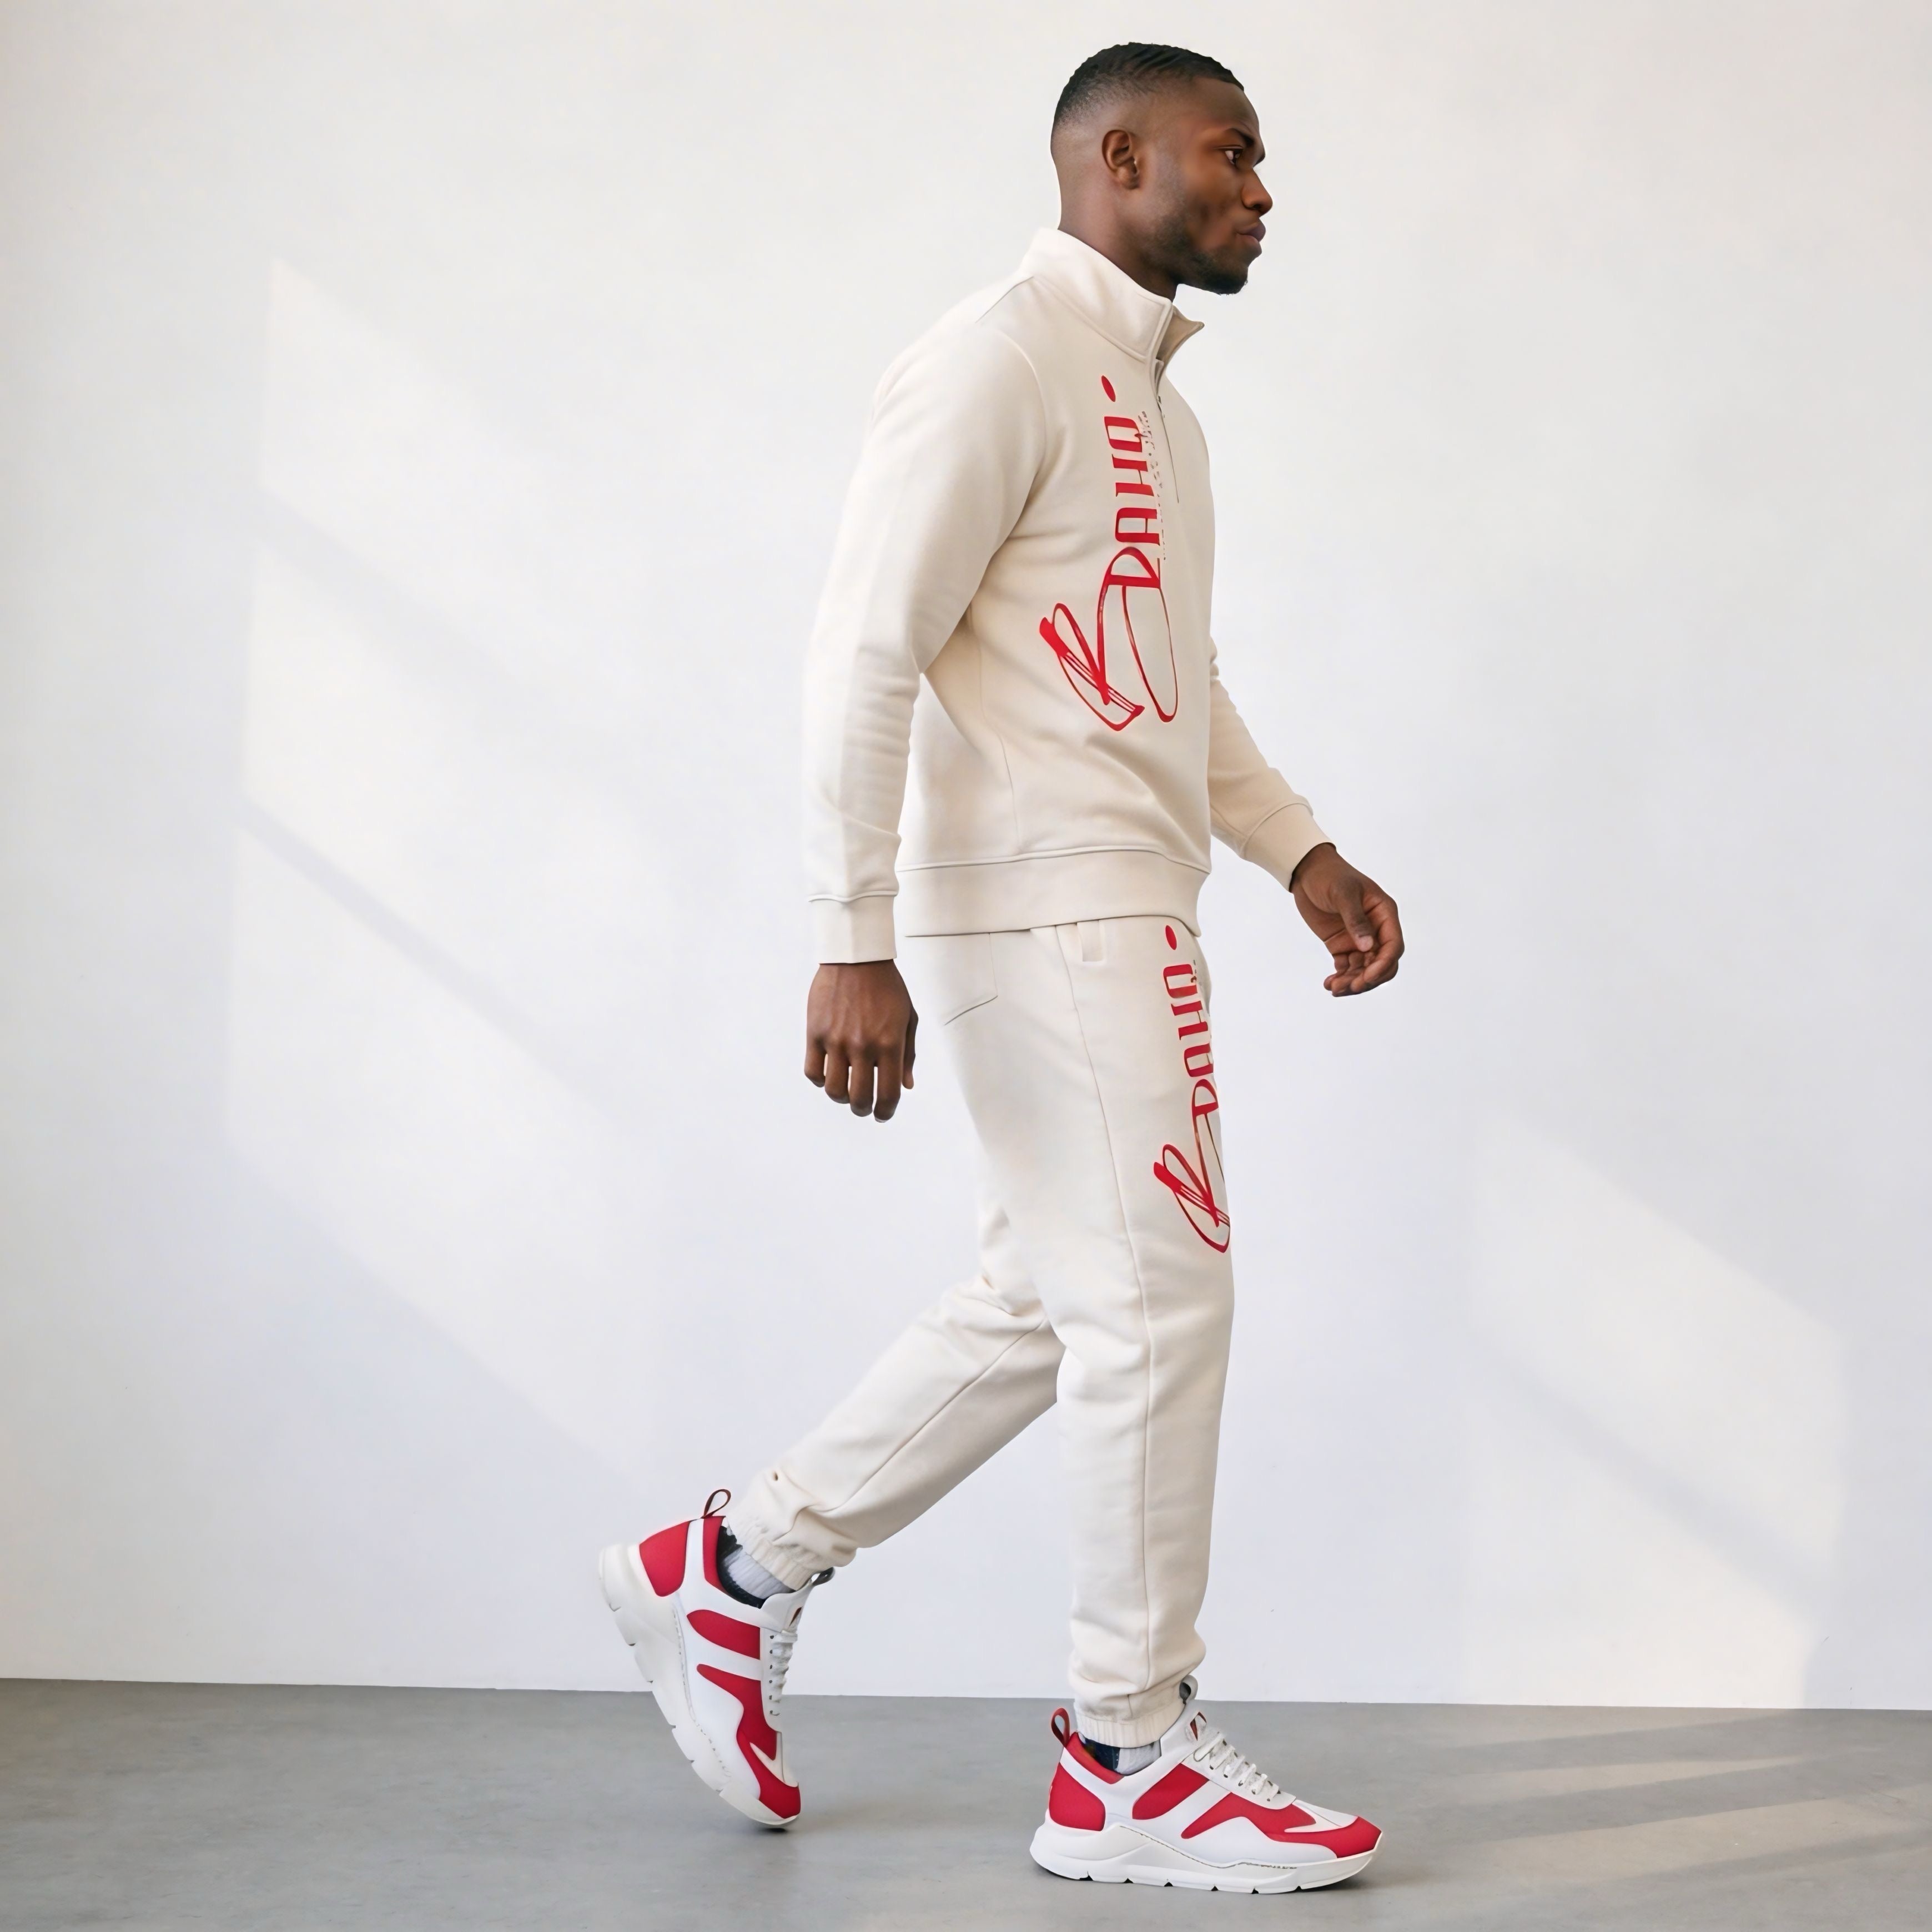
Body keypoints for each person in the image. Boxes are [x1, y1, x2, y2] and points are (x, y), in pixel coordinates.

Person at [598, 42, 1403, 1894]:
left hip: (1124, 895)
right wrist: (849, 935)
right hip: (1042, 905)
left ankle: (735, 1566)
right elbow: (863, 648)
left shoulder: (1162, 413)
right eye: (1231, 154)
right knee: (1160, 1304)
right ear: (1117, 158)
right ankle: (1126, 1752)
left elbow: (1178, 683)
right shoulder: (995, 359)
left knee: (1059, 1296)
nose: (1263, 191)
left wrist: (1299, 848)